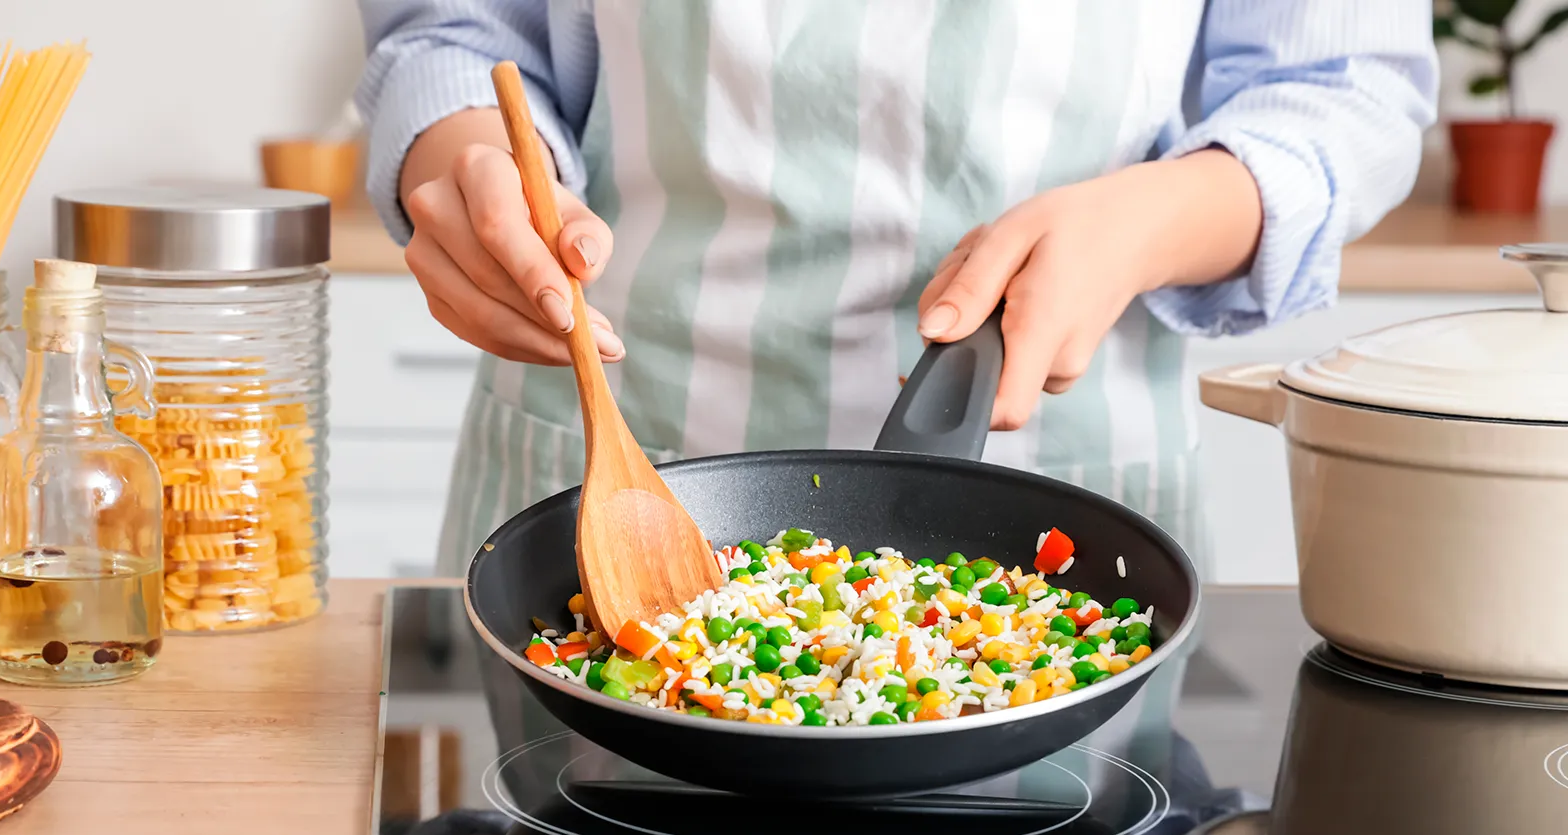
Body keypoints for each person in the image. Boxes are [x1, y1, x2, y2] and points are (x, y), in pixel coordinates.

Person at [355, 1, 1436, 578]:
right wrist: (465, 166)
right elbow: (457, 34)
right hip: (623, 458)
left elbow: (1343, 88)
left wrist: (1151, 222)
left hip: (1058, 482)